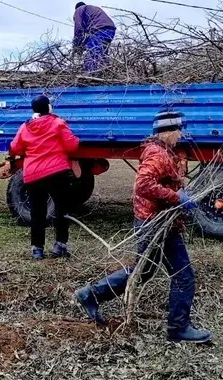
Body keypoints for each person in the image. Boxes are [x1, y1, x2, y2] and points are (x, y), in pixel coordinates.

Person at [74, 109, 212, 344]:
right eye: (178, 130)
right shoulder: (157, 154)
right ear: (167, 132)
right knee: (183, 275)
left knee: (145, 270)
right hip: (155, 221)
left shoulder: (164, 151)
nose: (181, 135)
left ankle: (91, 294)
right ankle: (178, 328)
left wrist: (180, 188)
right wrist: (176, 197)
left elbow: (161, 181)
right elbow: (143, 185)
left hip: (155, 220)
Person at [9, 95, 80, 260]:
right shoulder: (57, 123)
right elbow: (72, 145)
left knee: (37, 212)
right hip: (56, 173)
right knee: (62, 209)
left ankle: (37, 249)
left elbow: (15, 147)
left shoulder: (25, 127)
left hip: (33, 175)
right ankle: (60, 246)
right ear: (48, 108)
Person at [73, 1, 116, 72]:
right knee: (102, 54)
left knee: (92, 54)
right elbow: (87, 36)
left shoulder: (79, 9)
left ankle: (89, 73)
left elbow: (78, 28)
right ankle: (106, 73)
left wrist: (77, 45)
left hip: (100, 29)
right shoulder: (91, 10)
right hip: (110, 29)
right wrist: (83, 43)